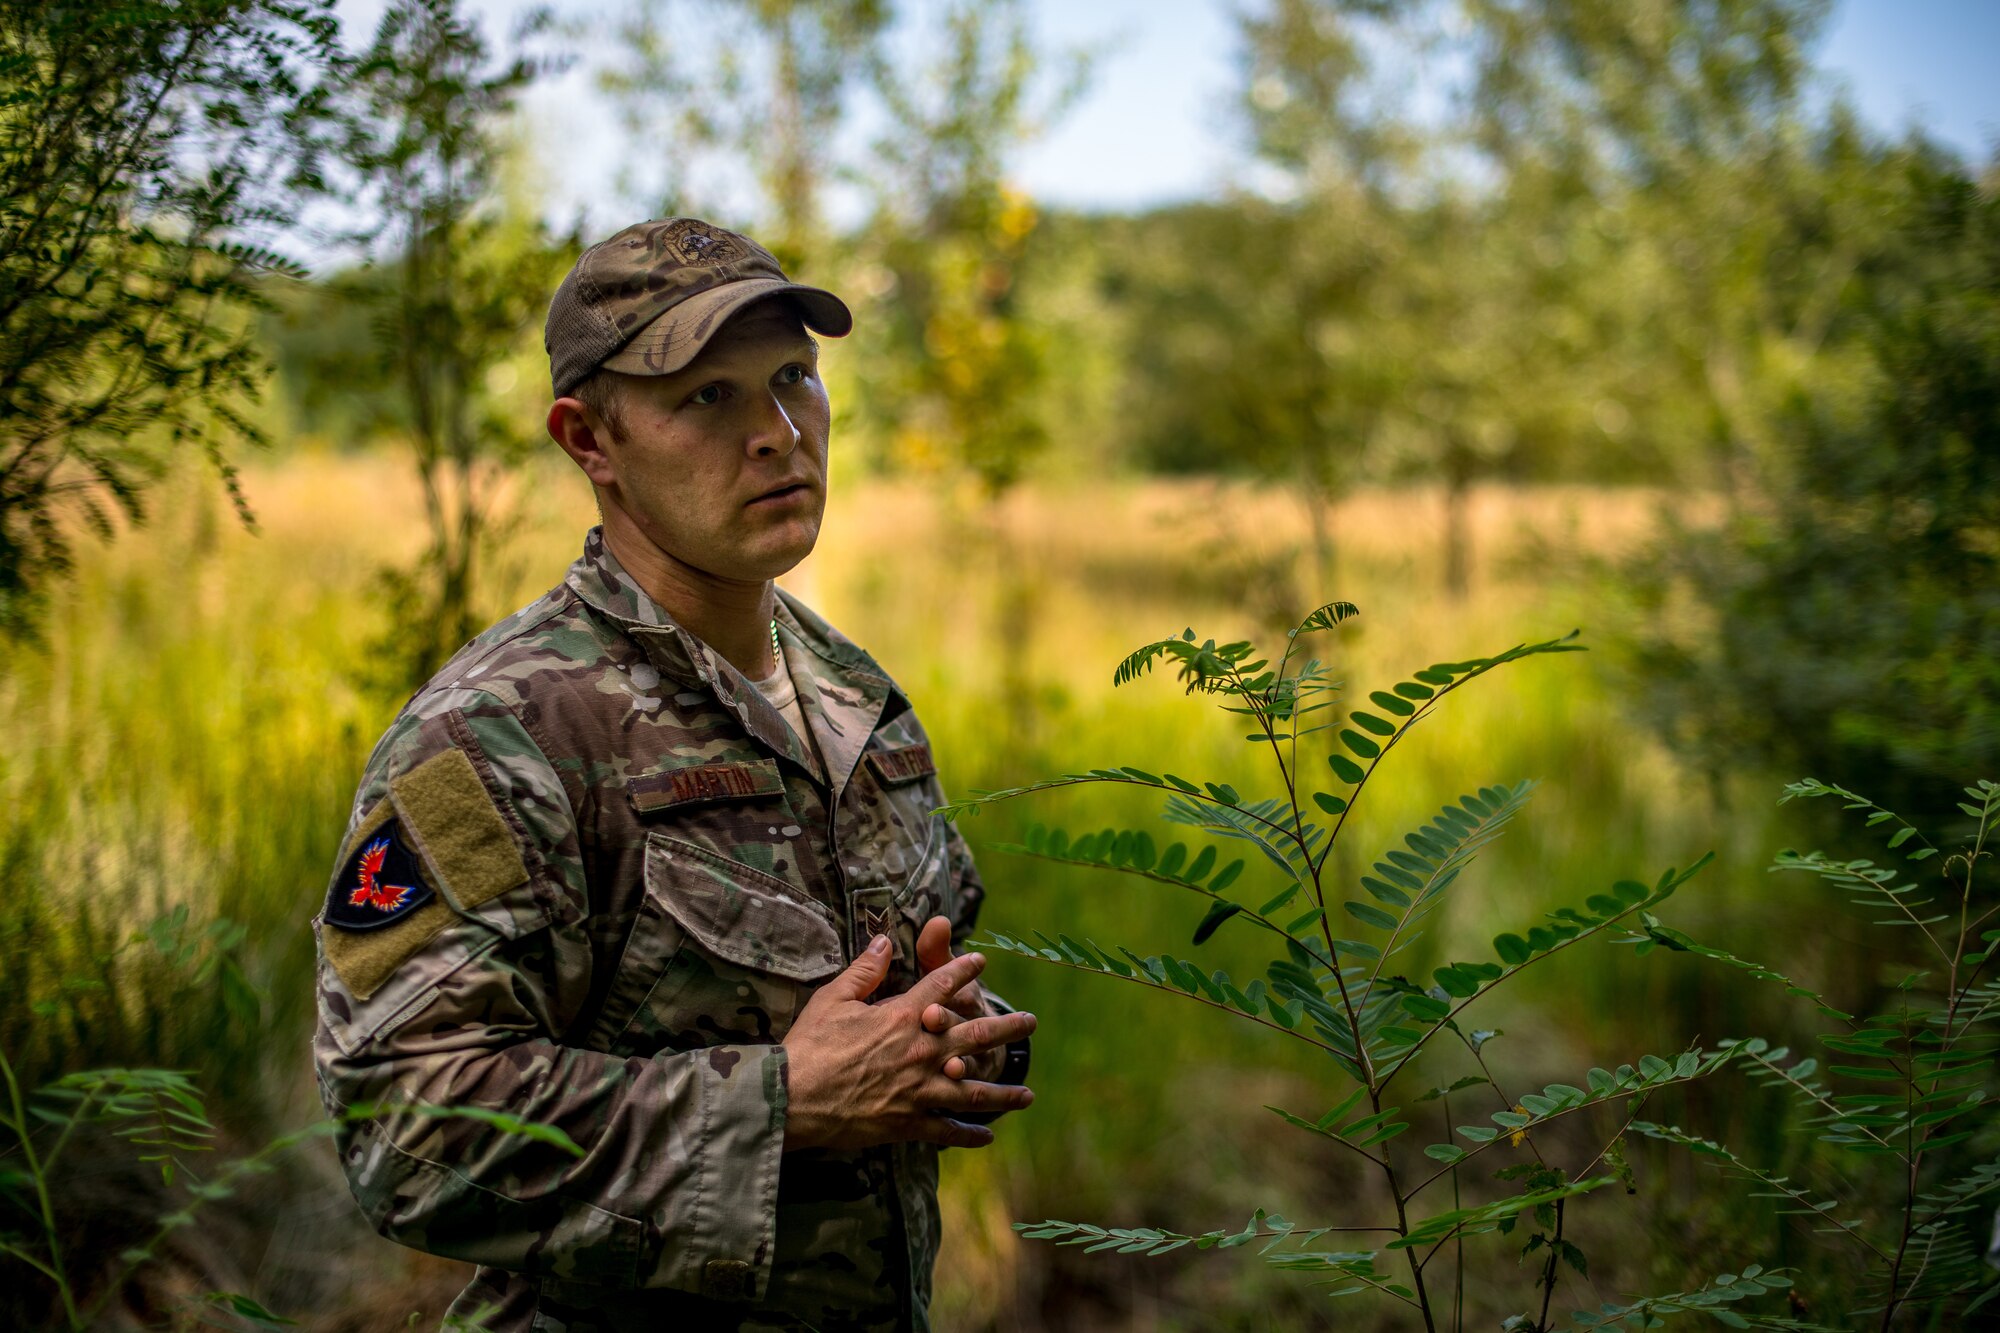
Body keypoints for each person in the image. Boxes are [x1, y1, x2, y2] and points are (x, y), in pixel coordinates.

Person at [311, 216, 1038, 1333]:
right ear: (589, 440)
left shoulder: (855, 696)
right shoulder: (493, 734)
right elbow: (404, 1124)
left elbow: (904, 983)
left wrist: (947, 1032)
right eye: (708, 397)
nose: (779, 432)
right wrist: (781, 1104)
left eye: (794, 377)